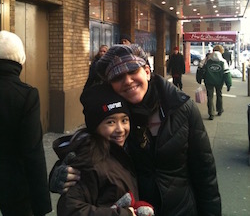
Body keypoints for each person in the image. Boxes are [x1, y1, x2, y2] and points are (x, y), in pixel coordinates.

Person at [50, 44, 221, 216]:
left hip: (181, 210)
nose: (127, 80)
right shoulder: (114, 116)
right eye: (118, 77)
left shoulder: (181, 108)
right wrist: (61, 172)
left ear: (147, 71)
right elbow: (87, 147)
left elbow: (205, 173)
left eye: (133, 71)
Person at [52, 83, 154, 216]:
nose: (120, 129)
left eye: (124, 120)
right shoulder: (89, 160)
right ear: (95, 126)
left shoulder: (128, 149)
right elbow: (70, 209)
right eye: (110, 122)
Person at [0, 31, 52, 216]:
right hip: (14, 185)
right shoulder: (26, 95)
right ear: (20, 60)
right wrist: (41, 204)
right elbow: (33, 152)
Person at [196, 44, 232, 120]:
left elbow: (200, 68)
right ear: (221, 51)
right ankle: (219, 110)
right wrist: (229, 84)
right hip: (219, 82)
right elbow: (227, 73)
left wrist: (199, 79)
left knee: (210, 97)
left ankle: (211, 113)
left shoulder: (207, 59)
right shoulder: (223, 61)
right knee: (219, 94)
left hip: (208, 81)